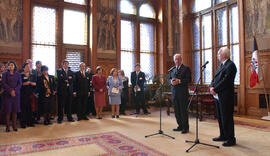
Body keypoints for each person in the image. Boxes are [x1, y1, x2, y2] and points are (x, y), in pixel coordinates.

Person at [210, 47, 237, 147]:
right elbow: (215, 78)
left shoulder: (231, 65)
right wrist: (211, 86)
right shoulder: (221, 65)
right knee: (220, 117)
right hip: (218, 96)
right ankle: (223, 135)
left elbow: (226, 81)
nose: (217, 56)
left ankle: (231, 139)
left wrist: (215, 89)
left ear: (224, 55)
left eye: (218, 54)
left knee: (227, 117)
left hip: (226, 96)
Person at [169, 54, 191, 134]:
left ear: (181, 59)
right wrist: (171, 82)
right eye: (175, 59)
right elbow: (170, 79)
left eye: (178, 59)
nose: (177, 61)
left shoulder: (186, 68)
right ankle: (180, 126)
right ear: (174, 60)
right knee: (177, 111)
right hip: (174, 93)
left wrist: (179, 81)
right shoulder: (173, 69)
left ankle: (185, 127)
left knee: (183, 110)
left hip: (182, 93)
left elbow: (189, 80)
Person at [1, 60, 22, 132]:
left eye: (12, 65)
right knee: (8, 111)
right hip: (7, 95)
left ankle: (14, 126)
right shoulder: (4, 74)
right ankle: (7, 127)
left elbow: (20, 84)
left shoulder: (18, 74)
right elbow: (3, 84)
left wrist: (14, 91)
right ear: (8, 66)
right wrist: (10, 91)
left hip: (16, 95)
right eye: (9, 65)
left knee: (14, 111)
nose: (11, 66)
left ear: (14, 66)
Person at [20, 62, 36, 128]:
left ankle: (30, 122)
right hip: (23, 94)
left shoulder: (32, 75)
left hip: (30, 94)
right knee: (23, 109)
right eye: (27, 67)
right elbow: (19, 84)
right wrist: (24, 83)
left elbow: (35, 83)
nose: (28, 68)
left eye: (29, 67)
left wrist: (31, 83)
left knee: (30, 108)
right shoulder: (20, 75)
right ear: (23, 68)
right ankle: (23, 123)